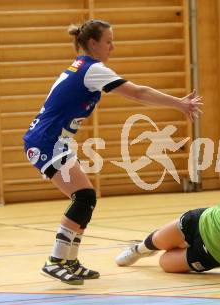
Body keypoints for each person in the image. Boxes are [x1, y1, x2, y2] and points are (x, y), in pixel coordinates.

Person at [23, 19, 202, 285]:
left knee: (85, 197)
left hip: (53, 140)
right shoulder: (92, 69)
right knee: (82, 196)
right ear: (93, 43)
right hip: (46, 141)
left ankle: (68, 260)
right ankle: (56, 260)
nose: (113, 47)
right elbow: (138, 93)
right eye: (109, 41)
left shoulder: (79, 67)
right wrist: (178, 103)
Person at [115, 119, 220, 281]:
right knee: (158, 241)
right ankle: (138, 249)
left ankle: (178, 244)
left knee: (165, 263)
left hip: (208, 256)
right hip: (199, 224)